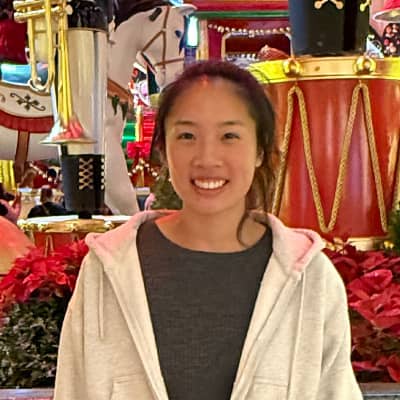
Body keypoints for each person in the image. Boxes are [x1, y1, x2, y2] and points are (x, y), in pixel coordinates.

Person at [54, 61, 363, 400]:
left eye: (229, 136)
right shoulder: (109, 269)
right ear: (164, 150)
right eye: (187, 136)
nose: (207, 158)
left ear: (260, 150)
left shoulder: (310, 278)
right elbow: (74, 389)